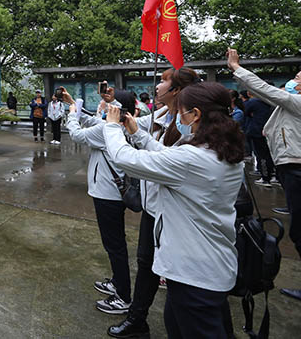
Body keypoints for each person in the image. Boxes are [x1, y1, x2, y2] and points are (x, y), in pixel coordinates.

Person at [103, 82, 244, 338]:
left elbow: (125, 158)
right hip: (210, 267)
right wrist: (138, 134)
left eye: (181, 111)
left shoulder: (193, 158)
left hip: (194, 274)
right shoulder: (222, 150)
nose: (178, 117)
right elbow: (169, 158)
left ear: (196, 114)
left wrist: (111, 126)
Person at [106, 67, 200, 338]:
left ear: (177, 90)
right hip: (152, 207)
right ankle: (137, 319)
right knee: (146, 263)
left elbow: (157, 159)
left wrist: (114, 127)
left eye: (163, 81)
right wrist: (117, 109)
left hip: (173, 212)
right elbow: (140, 131)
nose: (157, 86)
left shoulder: (190, 129)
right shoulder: (159, 115)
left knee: (177, 276)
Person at [228, 48, 301, 302]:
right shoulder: (290, 104)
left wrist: (236, 68)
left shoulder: (296, 102)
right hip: (290, 168)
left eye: (298, 78)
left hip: (296, 168)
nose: (292, 81)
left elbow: (266, 90)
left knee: (299, 231)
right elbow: (262, 93)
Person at [63, 87, 137, 315]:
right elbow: (92, 120)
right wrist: (73, 102)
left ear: (116, 108)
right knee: (116, 243)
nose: (104, 104)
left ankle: (123, 297)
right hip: (114, 192)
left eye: (108, 102)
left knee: (114, 245)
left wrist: (72, 113)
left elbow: (77, 135)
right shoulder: (119, 125)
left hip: (107, 195)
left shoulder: (106, 129)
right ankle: (117, 282)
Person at [243, 88, 277, 186]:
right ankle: (273, 175)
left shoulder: (253, 102)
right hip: (270, 130)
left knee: (261, 155)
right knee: (270, 154)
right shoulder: (271, 101)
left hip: (257, 131)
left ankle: (265, 178)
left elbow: (246, 112)